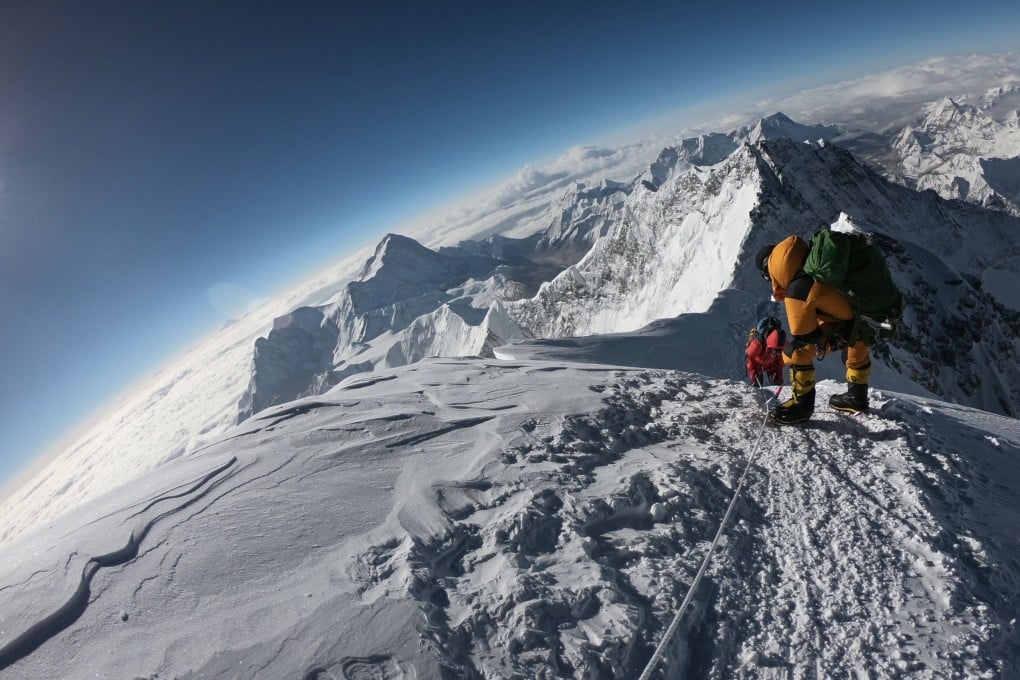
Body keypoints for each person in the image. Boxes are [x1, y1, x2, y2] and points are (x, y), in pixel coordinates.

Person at [754, 237, 872, 424]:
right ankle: (857, 397)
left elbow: (804, 336)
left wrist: (828, 340)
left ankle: (801, 407)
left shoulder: (797, 289)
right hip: (867, 314)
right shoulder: (816, 266)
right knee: (856, 334)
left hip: (847, 322)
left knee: (795, 352)